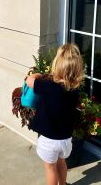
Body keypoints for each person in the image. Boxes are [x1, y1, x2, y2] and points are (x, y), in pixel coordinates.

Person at [26, 43, 84, 185]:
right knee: (62, 162)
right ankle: (63, 184)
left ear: (56, 65)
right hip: (65, 140)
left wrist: (37, 74)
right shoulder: (74, 91)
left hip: (49, 140)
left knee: (50, 168)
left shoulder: (47, 86)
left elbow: (28, 81)